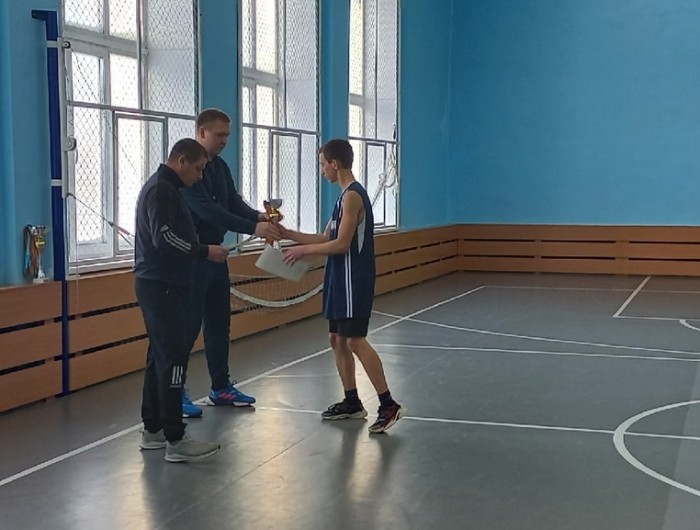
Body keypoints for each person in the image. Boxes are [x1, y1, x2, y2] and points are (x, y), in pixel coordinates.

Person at [281, 139, 403, 434]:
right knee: (337, 339)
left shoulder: (353, 197)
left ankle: (388, 404)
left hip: (353, 279)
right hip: (338, 278)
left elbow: (341, 244)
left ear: (335, 163)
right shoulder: (342, 199)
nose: (322, 170)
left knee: (355, 341)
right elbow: (325, 238)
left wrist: (302, 252)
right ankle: (352, 401)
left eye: (323, 164)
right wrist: (288, 234)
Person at [179, 108, 281, 417]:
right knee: (186, 327)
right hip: (193, 258)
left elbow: (232, 203)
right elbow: (208, 211)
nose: (224, 141)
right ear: (201, 133)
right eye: (219, 135)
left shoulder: (220, 167)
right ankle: (174, 391)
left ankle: (220, 386)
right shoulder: (188, 171)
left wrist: (259, 217)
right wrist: (253, 228)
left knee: (219, 322)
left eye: (227, 136)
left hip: (217, 257)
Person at [134, 138, 227, 462]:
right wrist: (203, 251)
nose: (199, 177)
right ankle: (175, 438)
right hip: (162, 286)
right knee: (173, 358)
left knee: (158, 358)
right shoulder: (162, 190)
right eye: (198, 169)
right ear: (182, 161)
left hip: (163, 284)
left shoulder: (169, 189)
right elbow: (164, 238)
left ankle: (154, 430)